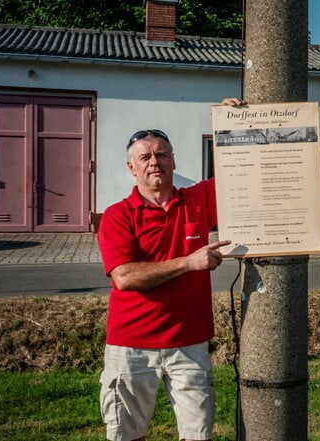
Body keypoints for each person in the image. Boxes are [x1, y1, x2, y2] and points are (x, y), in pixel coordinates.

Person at [97, 107, 241, 440]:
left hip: (188, 343)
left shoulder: (198, 201)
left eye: (161, 155)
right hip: (130, 345)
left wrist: (235, 123)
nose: (154, 162)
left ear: (173, 161)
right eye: (145, 157)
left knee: (198, 434)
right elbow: (125, 277)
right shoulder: (117, 216)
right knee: (126, 435)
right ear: (131, 168)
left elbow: (239, 170)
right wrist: (189, 262)